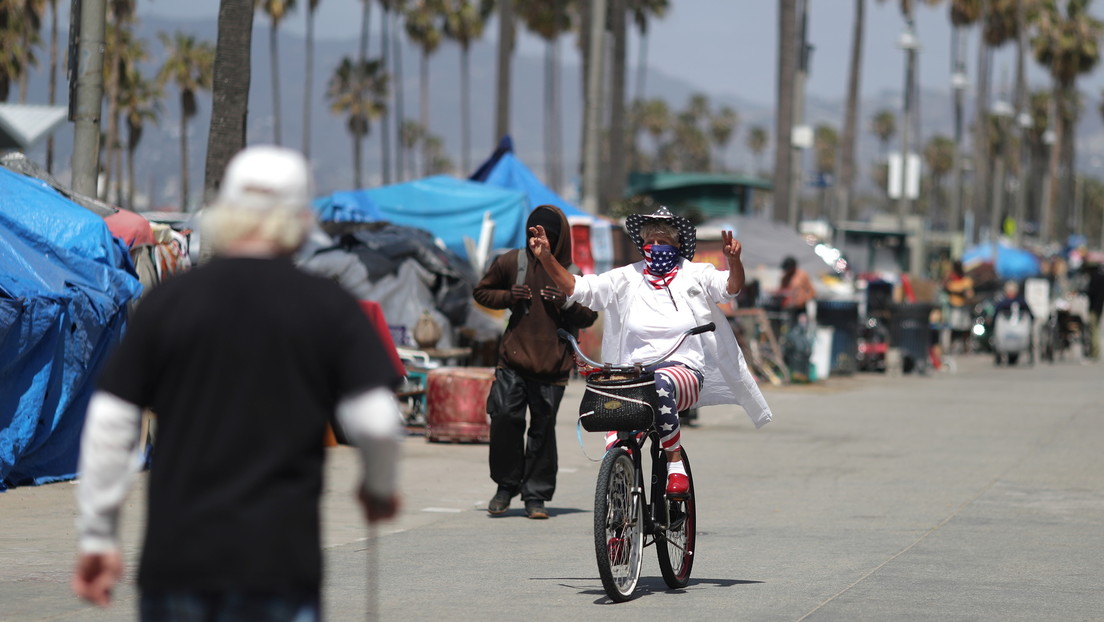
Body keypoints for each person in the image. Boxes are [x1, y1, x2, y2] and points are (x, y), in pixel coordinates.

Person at [71, 146, 404, 621]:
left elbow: (111, 423)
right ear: (299, 219)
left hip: (178, 568)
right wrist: (379, 487)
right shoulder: (327, 307)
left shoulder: (170, 302)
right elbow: (376, 420)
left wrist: (98, 537)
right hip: (280, 572)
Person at [528, 206, 772, 495]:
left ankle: (674, 462)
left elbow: (729, 288)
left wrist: (734, 263)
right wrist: (546, 258)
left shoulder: (695, 274)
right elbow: (578, 288)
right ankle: (620, 503)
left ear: (677, 244)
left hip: (683, 373)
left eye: (663, 241)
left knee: (661, 383)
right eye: (651, 241)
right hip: (634, 374)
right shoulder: (626, 277)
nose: (656, 247)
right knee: (609, 403)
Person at [473, 205, 598, 519]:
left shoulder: (570, 272)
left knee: (542, 430)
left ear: (558, 239)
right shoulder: (510, 262)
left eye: (546, 235)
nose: (537, 239)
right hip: (511, 362)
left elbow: (590, 314)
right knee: (503, 419)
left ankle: (535, 497)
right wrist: (508, 297)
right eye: (532, 233)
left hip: (551, 367)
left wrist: (566, 301)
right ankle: (505, 486)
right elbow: (482, 292)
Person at [943, 260, 975, 353]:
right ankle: (951, 346)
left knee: (965, 328)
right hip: (954, 306)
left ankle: (966, 346)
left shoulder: (966, 279)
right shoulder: (951, 279)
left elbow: (969, 294)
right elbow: (945, 287)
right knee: (954, 327)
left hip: (964, 306)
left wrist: (962, 294)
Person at [776, 256, 816, 320]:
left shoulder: (802, 275)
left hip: (802, 308)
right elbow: (781, 291)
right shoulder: (784, 278)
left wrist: (802, 299)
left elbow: (811, 291)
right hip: (789, 309)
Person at [1083, 263, 1104, 361]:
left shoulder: (1095, 278)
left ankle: (1095, 353)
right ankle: (1095, 352)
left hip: (1095, 307)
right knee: (1095, 329)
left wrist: (1084, 291)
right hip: (1099, 307)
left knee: (1093, 329)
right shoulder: (1101, 277)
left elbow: (1092, 292)